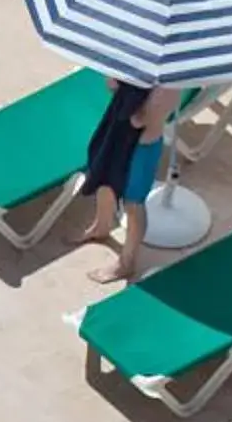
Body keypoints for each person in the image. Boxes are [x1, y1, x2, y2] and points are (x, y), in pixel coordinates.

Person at [73, 77, 182, 284]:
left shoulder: (170, 85)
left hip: (142, 146)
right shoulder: (137, 65)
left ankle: (127, 263)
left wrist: (132, 99)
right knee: (103, 181)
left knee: (133, 203)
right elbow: (112, 86)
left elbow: (141, 120)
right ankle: (101, 226)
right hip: (117, 131)